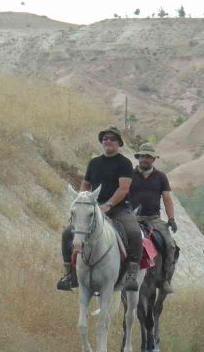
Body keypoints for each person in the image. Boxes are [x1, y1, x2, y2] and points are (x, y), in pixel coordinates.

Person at [57, 125, 142, 292]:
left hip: (119, 208)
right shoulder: (94, 163)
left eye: (112, 139)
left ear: (119, 143)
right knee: (68, 232)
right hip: (93, 209)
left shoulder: (125, 163)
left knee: (133, 231)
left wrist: (108, 205)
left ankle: (131, 274)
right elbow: (86, 184)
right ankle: (69, 274)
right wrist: (82, 202)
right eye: (105, 139)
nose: (108, 141)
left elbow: (123, 188)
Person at [129, 143, 178, 293]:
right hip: (132, 218)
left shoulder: (161, 177)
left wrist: (171, 219)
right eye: (142, 156)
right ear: (138, 158)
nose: (144, 159)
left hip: (153, 219)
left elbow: (167, 198)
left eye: (148, 157)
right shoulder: (129, 174)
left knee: (170, 245)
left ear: (153, 159)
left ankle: (164, 279)